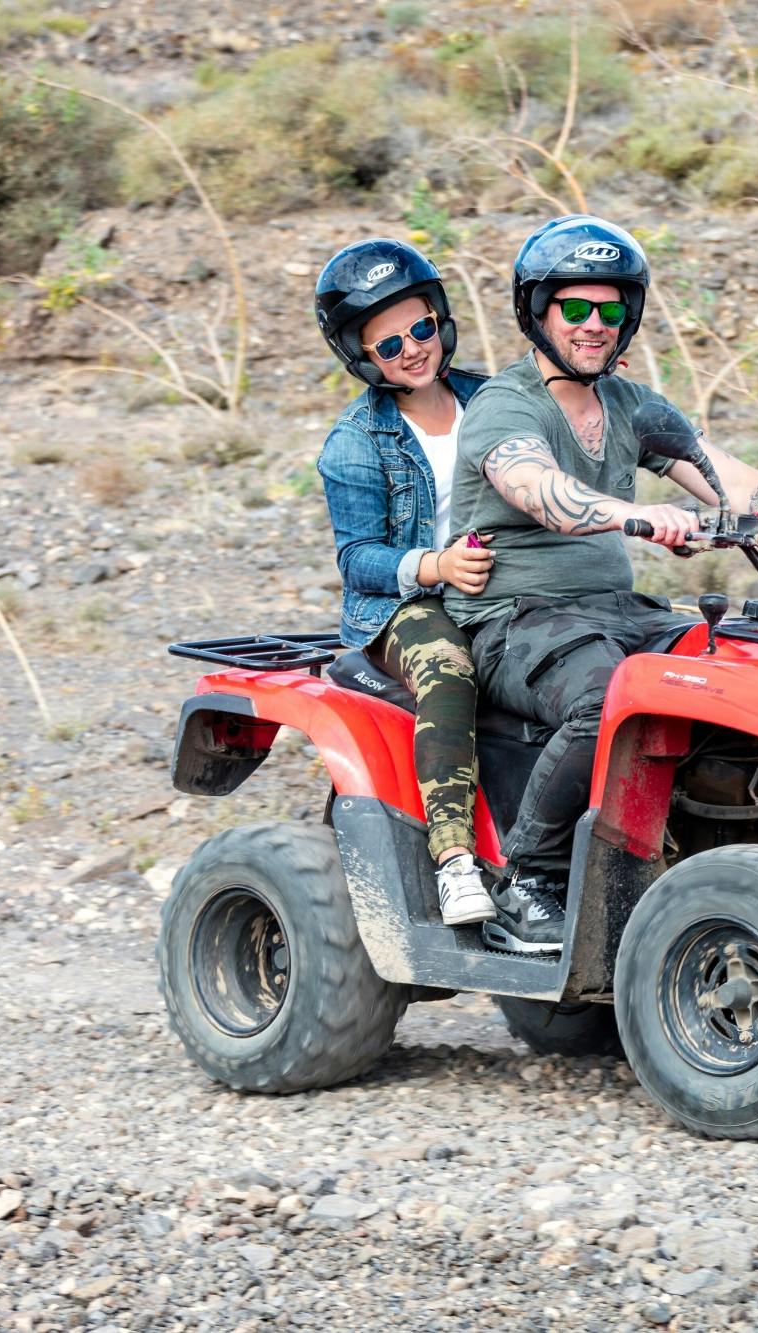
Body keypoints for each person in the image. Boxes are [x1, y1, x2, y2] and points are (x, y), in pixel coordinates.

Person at [446, 214, 758, 954]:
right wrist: (638, 517)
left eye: (609, 310)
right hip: (514, 618)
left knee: (744, 661)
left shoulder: (631, 406)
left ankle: (728, 846)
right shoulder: (504, 405)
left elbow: (729, 477)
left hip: (614, 611)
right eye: (575, 308)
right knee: (604, 695)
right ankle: (529, 878)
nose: (593, 325)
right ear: (539, 313)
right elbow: (537, 487)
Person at [315, 238, 498, 929]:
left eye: (421, 328)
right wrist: (434, 565)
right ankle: (454, 861)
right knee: (447, 671)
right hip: (404, 604)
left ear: (441, 319)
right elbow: (358, 557)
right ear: (363, 357)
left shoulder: (490, 397)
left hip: (499, 582)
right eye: (390, 345)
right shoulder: (356, 441)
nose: (414, 349)